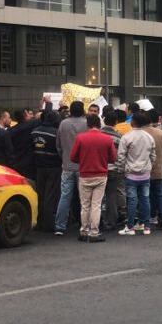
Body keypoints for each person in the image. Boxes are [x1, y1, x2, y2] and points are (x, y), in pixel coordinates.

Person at [69, 114, 117, 243]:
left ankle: (83, 231)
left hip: (85, 174)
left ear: (88, 124)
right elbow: (113, 158)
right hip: (101, 175)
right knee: (96, 205)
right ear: (99, 124)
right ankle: (94, 232)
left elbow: (73, 157)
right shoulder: (107, 139)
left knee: (85, 205)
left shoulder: (80, 138)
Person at [52, 101, 89, 237]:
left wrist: (64, 157)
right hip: (83, 166)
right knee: (84, 197)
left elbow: (58, 145)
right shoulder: (87, 124)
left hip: (67, 165)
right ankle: (84, 224)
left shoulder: (63, 124)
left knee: (65, 196)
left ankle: (60, 226)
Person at [119, 113, 156, 236]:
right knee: (145, 199)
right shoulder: (149, 137)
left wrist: (122, 169)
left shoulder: (126, 137)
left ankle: (130, 227)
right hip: (145, 173)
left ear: (133, 122)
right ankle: (146, 226)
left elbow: (121, 157)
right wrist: (149, 166)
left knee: (132, 200)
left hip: (131, 174)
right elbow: (153, 156)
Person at [30, 108, 63, 232]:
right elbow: (59, 150)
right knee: (51, 196)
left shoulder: (34, 132)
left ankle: (39, 221)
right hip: (54, 167)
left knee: (40, 194)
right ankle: (48, 224)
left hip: (39, 167)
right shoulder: (56, 133)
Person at [144, 110, 162, 229]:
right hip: (159, 168)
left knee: (146, 195)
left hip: (144, 170)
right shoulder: (161, 133)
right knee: (161, 195)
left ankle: (149, 217)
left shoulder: (142, 133)